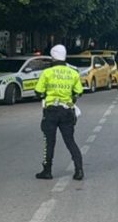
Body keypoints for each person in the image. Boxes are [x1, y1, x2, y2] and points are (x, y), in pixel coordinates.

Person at [33, 44, 84, 181]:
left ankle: (47, 170)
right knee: (70, 141)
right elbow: (79, 92)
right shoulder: (73, 73)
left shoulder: (47, 73)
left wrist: (45, 95)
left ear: (53, 57)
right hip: (67, 110)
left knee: (49, 141)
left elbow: (38, 91)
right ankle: (79, 170)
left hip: (51, 111)